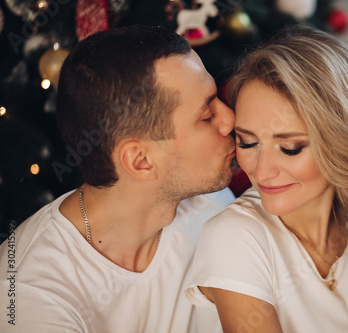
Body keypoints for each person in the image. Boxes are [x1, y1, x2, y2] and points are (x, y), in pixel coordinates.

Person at [185, 26, 348, 332]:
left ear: (343, 141)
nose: (262, 171)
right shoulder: (234, 236)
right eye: (248, 142)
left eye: (290, 148)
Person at [0, 25, 236, 332]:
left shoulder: (210, 203)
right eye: (206, 116)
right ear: (140, 161)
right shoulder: (30, 294)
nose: (229, 118)